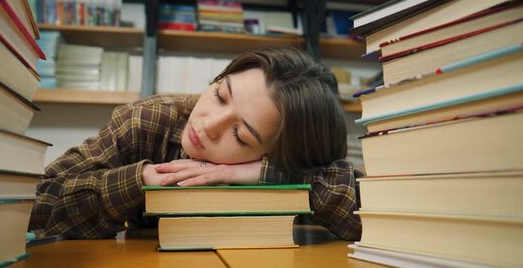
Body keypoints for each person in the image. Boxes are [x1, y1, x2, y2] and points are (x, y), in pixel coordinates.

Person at [29, 47, 363, 240]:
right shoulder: (149, 120)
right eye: (220, 96)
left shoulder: (287, 157)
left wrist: (266, 175)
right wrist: (141, 181)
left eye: (241, 135)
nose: (207, 125)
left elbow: (376, 214)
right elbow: (36, 207)